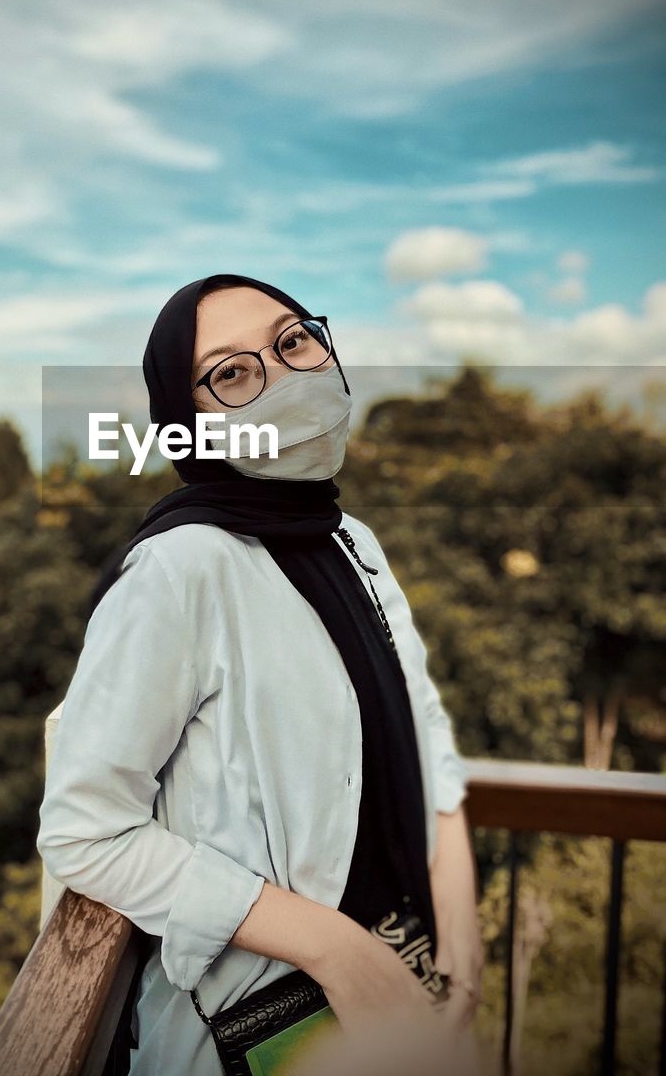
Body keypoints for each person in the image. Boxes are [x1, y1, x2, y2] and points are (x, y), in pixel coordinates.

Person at [36, 274, 484, 1075]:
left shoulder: (352, 541)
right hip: (274, 1028)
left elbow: (424, 732)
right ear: (190, 420)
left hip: (414, 984)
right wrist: (339, 950)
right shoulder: (179, 572)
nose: (282, 377)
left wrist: (463, 945)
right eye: (232, 373)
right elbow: (86, 832)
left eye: (293, 340)